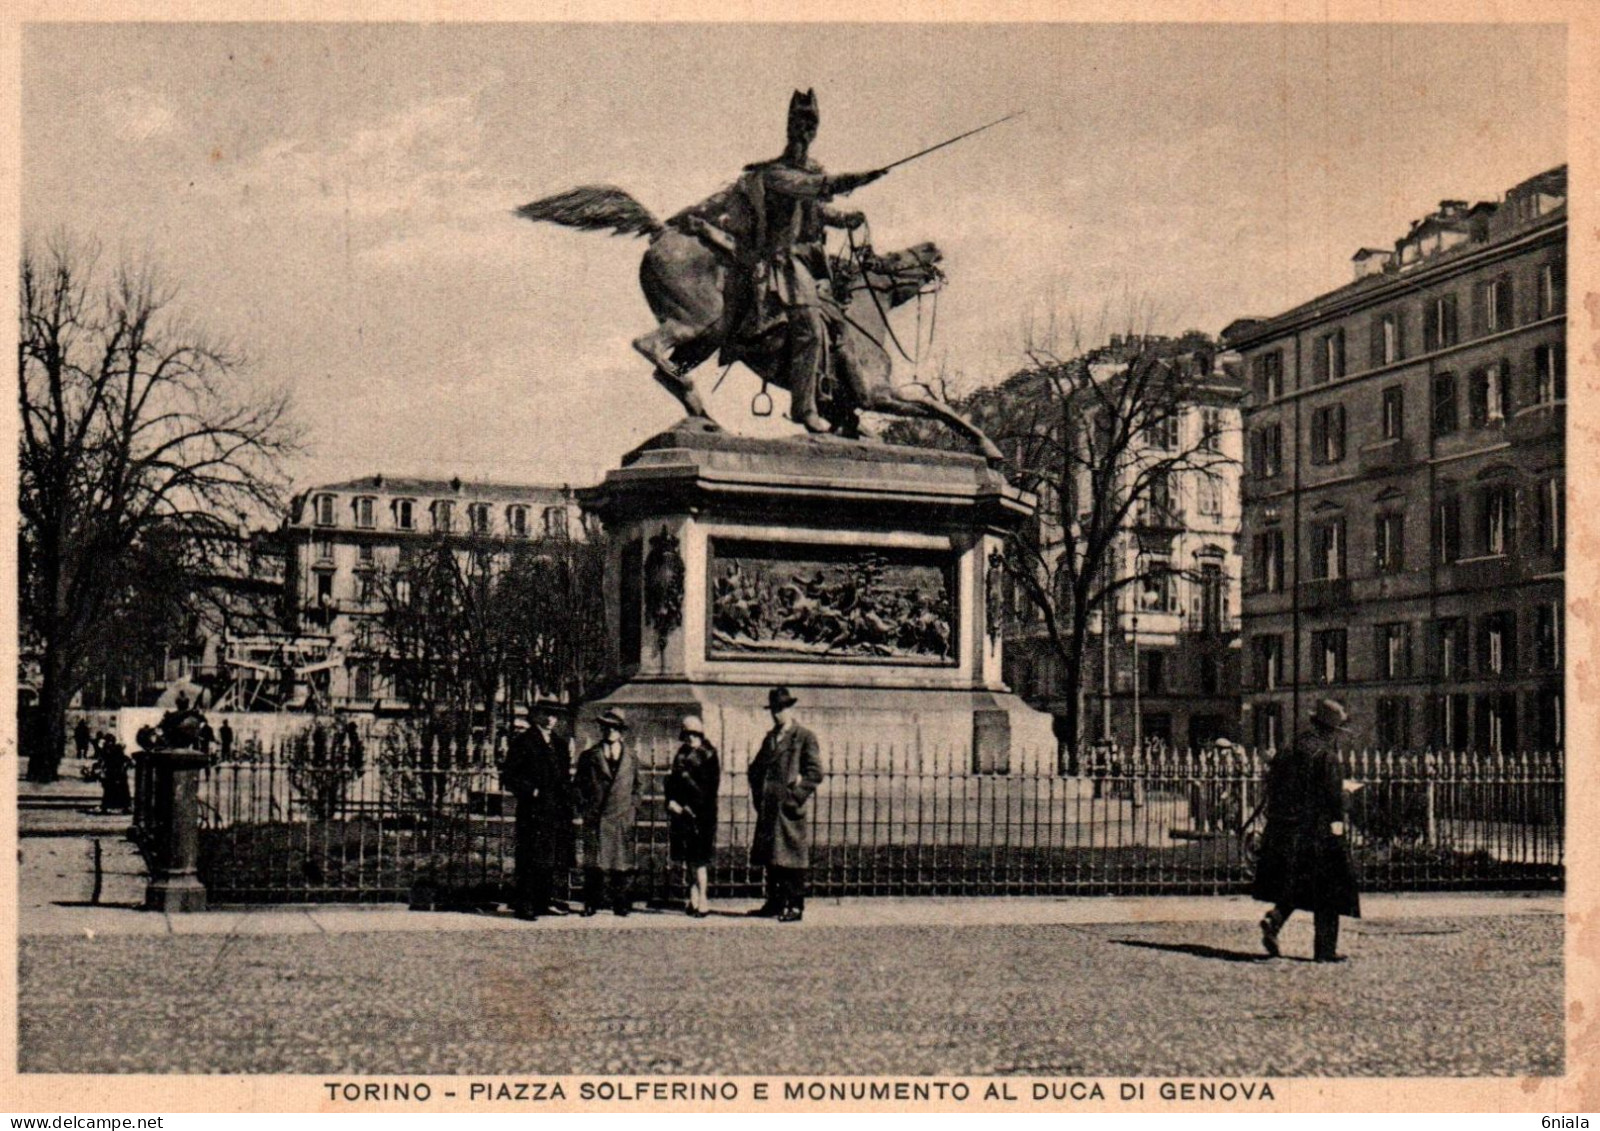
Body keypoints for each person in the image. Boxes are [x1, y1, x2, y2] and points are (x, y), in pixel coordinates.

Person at [736, 89, 884, 433]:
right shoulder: (776, 173)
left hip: (805, 264)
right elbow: (814, 188)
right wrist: (860, 178)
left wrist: (843, 219)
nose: (806, 131)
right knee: (809, 330)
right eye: (800, 123)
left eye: (811, 125)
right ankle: (804, 409)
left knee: (837, 328)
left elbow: (814, 208)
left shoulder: (809, 171)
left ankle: (842, 409)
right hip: (781, 264)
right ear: (789, 128)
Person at [1253, 698, 1362, 962]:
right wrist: (1344, 807)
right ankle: (1325, 949)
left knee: (1300, 882)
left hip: (1288, 830)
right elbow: (1334, 800)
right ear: (1332, 730)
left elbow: (1273, 786)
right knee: (1329, 889)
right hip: (1319, 832)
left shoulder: (1291, 748)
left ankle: (1276, 920)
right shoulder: (1326, 755)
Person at [747, 687, 824, 922]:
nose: (777, 714)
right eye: (774, 710)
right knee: (772, 858)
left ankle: (795, 905)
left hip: (789, 809)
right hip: (770, 808)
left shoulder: (803, 736)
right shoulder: (770, 738)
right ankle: (775, 901)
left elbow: (815, 773)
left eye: (781, 709)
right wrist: (760, 796)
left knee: (792, 858)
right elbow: (755, 769)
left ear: (790, 709)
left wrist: (795, 796)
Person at [501, 705, 577, 920]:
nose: (551, 719)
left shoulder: (560, 744)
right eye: (546, 714)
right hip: (533, 810)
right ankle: (525, 904)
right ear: (536, 716)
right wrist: (531, 790)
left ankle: (544, 901)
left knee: (550, 858)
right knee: (529, 857)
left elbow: (564, 778)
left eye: (554, 715)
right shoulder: (524, 741)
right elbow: (509, 775)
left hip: (556, 810)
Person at [575, 709, 641, 917]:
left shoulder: (631, 757)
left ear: (622, 732)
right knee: (594, 862)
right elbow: (578, 786)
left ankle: (620, 903)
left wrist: (632, 809)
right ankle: (591, 902)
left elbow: (638, 787)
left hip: (621, 816)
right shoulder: (589, 756)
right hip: (596, 817)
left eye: (615, 728)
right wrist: (586, 808)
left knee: (620, 863)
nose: (610, 731)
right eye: (607, 727)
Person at [665, 715, 721, 917]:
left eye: (694, 735)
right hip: (681, 814)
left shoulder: (709, 755)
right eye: (687, 735)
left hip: (701, 815)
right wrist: (671, 801)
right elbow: (671, 782)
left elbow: (710, 788)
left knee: (700, 860)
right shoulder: (681, 755)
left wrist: (690, 807)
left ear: (701, 735)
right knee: (688, 859)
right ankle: (693, 896)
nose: (690, 739)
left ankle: (703, 898)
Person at [98, 731, 132, 813]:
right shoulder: (109, 750)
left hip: (115, 773)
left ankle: (122, 807)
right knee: (113, 791)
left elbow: (124, 759)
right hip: (115, 773)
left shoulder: (112, 749)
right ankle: (122, 807)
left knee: (114, 791)